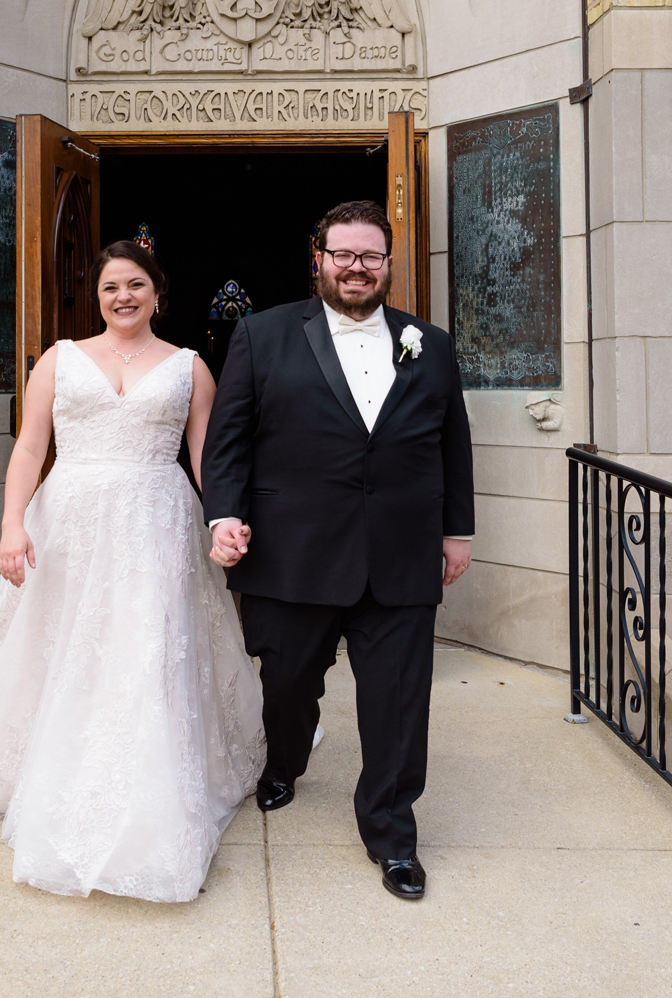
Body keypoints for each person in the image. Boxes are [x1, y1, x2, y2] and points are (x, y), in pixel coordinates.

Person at [0, 240, 266, 902]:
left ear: (158, 291)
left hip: (156, 525)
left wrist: (225, 520)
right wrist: (12, 522)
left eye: (135, 284)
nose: (122, 296)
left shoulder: (190, 367)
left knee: (145, 648)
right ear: (96, 296)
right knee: (69, 641)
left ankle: (150, 787)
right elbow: (30, 445)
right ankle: (52, 768)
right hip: (68, 521)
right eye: (110, 287)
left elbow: (206, 459)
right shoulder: (59, 359)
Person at [201, 198, 474, 901]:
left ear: (388, 264)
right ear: (317, 259)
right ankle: (285, 759)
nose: (357, 267)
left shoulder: (430, 344)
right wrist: (223, 515)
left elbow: (453, 445)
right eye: (343, 254)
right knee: (287, 681)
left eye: (371, 256)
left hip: (401, 555)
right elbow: (227, 441)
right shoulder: (262, 336)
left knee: (398, 702)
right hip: (294, 554)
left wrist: (457, 529)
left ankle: (392, 836)